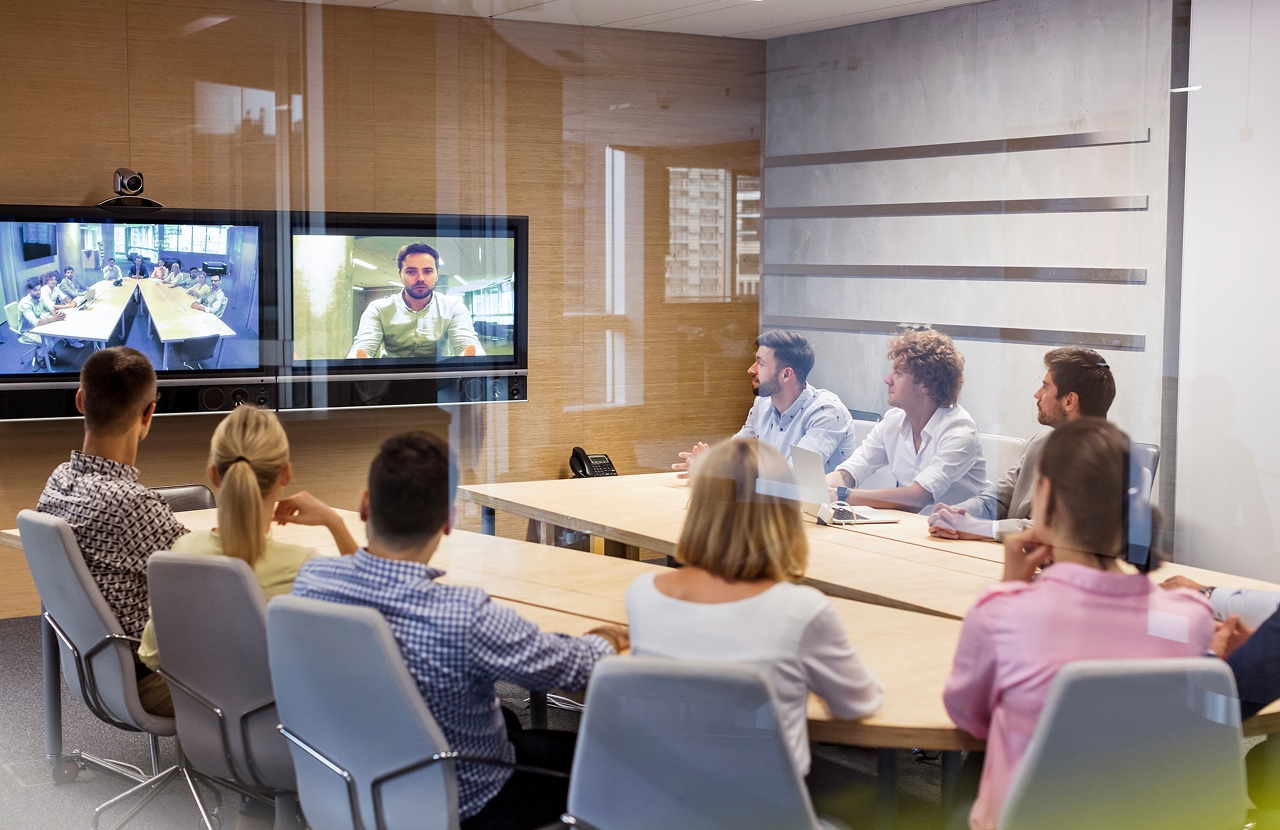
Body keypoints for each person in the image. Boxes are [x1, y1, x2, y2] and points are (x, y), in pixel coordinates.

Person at [292, 432, 627, 830]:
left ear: (365, 506)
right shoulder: (463, 616)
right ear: (449, 521)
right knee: (617, 759)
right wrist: (607, 638)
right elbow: (574, 669)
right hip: (468, 802)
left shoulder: (312, 582)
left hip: (347, 780)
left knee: (507, 719)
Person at [942, 419, 1214, 830]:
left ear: (1046, 495)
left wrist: (1008, 589)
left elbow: (969, 718)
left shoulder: (1003, 613)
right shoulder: (1190, 619)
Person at [630, 438, 882, 779]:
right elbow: (858, 705)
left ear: (699, 504)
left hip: (657, 792)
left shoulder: (642, 595)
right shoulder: (802, 611)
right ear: (784, 511)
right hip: (766, 799)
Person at [138, 403, 358, 671]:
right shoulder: (302, 567)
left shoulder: (182, 551)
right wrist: (334, 522)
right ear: (286, 474)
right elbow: (371, 614)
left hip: (192, 697)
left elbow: (151, 654)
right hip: (277, 697)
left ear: (213, 475)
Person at [37, 347, 188, 716]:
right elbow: (213, 571)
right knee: (288, 670)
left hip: (94, 670)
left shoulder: (57, 483)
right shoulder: (131, 505)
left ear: (80, 400)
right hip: (152, 680)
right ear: (148, 413)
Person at [929, 347, 1116, 541]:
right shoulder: (1041, 443)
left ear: (1069, 401)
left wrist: (982, 528)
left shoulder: (1103, 462)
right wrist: (954, 515)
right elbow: (997, 499)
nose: (1037, 394)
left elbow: (1059, 530)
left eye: (1045, 387)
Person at [824, 330, 987, 513]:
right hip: (912, 525)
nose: (887, 380)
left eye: (898, 373)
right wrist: (816, 490)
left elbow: (918, 497)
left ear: (927, 385)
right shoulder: (893, 421)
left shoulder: (959, 430)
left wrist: (843, 496)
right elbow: (849, 473)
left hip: (959, 528)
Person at [672, 330, 858, 476]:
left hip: (823, 511)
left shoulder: (826, 412)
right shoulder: (762, 404)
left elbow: (793, 476)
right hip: (770, 506)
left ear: (786, 374)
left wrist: (721, 469)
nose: (750, 370)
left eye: (760, 364)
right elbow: (734, 452)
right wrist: (709, 464)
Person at [346, 242, 483, 359]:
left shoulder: (453, 306)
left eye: (427, 271)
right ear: (400, 274)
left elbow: (467, 343)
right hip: (391, 377)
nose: (420, 278)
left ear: (437, 275)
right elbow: (363, 346)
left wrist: (472, 361)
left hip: (440, 376)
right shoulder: (378, 308)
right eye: (411, 271)